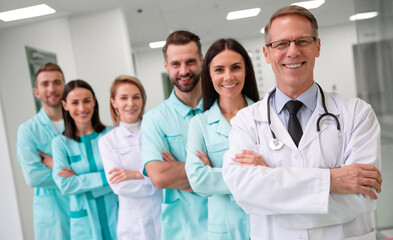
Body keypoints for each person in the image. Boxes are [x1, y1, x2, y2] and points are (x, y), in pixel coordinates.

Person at [222, 5, 382, 240]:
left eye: (303, 41)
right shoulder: (246, 122)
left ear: (317, 47)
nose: (293, 52)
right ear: (267, 53)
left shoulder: (358, 114)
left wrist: (272, 192)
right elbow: (244, 191)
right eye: (282, 44)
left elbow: (363, 198)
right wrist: (332, 180)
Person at [185, 38, 259, 239]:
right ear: (208, 75)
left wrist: (215, 174)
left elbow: (283, 169)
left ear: (246, 71)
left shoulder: (266, 115)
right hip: (225, 230)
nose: (228, 76)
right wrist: (256, 174)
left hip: (266, 223)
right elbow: (198, 180)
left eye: (236, 67)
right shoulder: (199, 124)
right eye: (219, 69)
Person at [141, 30, 208, 240]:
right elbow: (160, 177)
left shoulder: (223, 108)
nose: (184, 70)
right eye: (176, 64)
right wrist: (210, 170)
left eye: (190, 62)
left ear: (202, 61)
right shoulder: (154, 119)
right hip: (183, 230)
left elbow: (240, 171)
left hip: (230, 222)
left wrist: (180, 171)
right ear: (166, 67)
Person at [52, 80, 118, 240]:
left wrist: (80, 181)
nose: (82, 108)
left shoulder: (112, 134)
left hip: (117, 212)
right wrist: (107, 178)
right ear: (65, 105)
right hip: (85, 221)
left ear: (94, 102)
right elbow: (65, 185)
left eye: (87, 101)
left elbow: (126, 174)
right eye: (75, 102)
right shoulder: (60, 144)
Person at [98, 75, 162, 240]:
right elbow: (119, 186)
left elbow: (168, 174)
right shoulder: (107, 141)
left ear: (143, 100)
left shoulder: (157, 131)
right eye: (123, 98)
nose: (131, 103)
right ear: (114, 102)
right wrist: (155, 179)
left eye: (136, 97)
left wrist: (135, 175)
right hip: (134, 224)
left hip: (163, 213)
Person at [16, 63, 70, 240]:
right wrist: (76, 175)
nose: (52, 88)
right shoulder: (28, 130)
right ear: (36, 92)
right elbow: (34, 177)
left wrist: (53, 164)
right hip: (53, 215)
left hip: (86, 209)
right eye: (45, 84)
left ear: (64, 86)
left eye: (57, 82)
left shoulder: (80, 122)